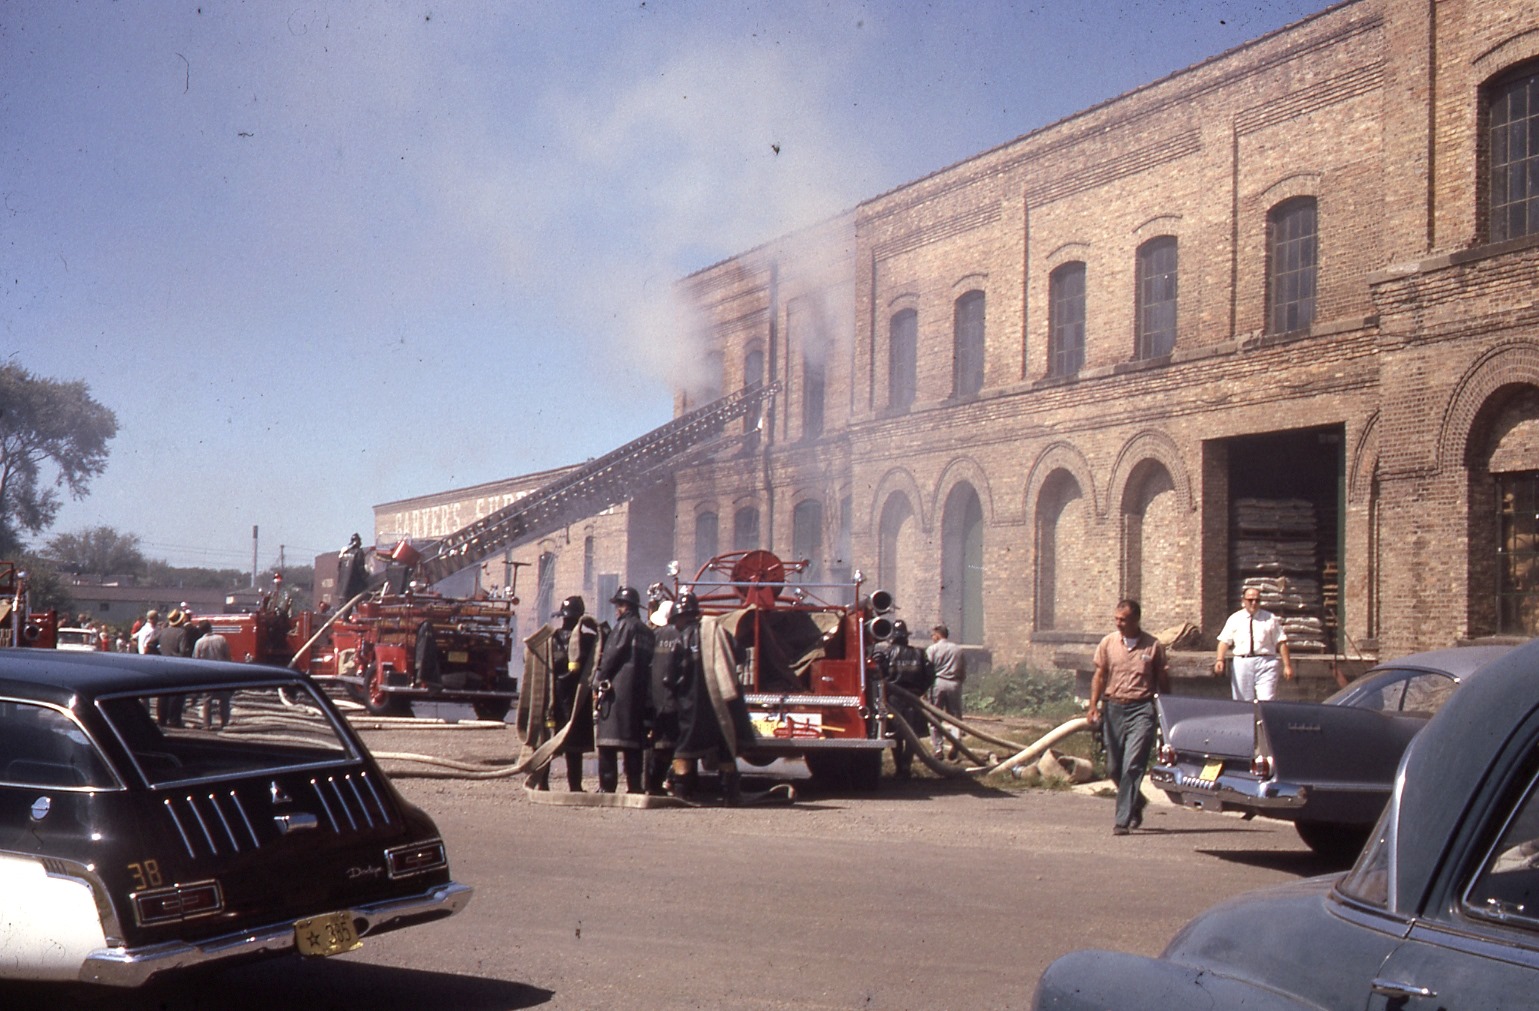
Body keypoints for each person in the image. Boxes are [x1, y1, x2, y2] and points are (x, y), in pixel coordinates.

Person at [1089, 599, 1170, 835]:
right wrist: (1093, 706)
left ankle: (1122, 821)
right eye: (1116, 619)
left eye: (1123, 620)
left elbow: (1163, 681)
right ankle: (1137, 802)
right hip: (1113, 707)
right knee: (1114, 767)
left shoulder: (1153, 646)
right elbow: (1099, 675)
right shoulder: (1108, 643)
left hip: (1142, 709)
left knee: (1132, 764)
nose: (1118, 624)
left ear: (1136, 620)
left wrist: (1167, 711)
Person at [663, 591, 745, 804]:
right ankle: (730, 795)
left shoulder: (679, 640)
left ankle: (683, 794)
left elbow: (669, 677)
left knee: (684, 753)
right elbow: (740, 654)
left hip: (689, 708)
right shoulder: (718, 632)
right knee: (724, 748)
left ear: (679, 617)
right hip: (718, 707)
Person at [591, 586, 653, 794]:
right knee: (633, 746)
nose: (616, 610)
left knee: (608, 744)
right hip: (639, 696)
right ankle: (635, 787)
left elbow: (611, 656)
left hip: (618, 696)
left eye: (618, 605)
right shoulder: (647, 631)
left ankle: (607, 788)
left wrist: (598, 680)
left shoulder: (623, 627)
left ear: (626, 607)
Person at [533, 595, 598, 792]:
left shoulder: (549, 639)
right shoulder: (588, 641)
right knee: (574, 750)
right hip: (577, 701)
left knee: (549, 743)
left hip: (553, 699)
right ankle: (575, 786)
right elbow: (604, 638)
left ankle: (543, 784)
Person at [875, 620, 934, 778]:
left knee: (896, 734)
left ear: (892, 637)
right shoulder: (919, 653)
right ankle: (906, 766)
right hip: (914, 699)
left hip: (894, 700)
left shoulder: (886, 654)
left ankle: (899, 767)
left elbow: (879, 676)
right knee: (912, 735)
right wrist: (920, 691)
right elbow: (930, 675)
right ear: (906, 637)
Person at [1213, 588, 1295, 701]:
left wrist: (1287, 666)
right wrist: (1220, 660)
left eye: (1257, 600)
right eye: (1250, 600)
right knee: (1242, 701)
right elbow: (1224, 641)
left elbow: (1281, 642)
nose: (1254, 603)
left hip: (1266, 662)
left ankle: (1264, 718)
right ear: (1244, 601)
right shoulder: (1235, 619)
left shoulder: (1270, 618)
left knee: (1267, 700)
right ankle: (1245, 719)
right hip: (1243, 662)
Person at [645, 588, 679, 796]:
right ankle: (671, 782)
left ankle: (652, 784)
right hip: (677, 700)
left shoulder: (653, 636)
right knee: (673, 746)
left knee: (655, 744)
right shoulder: (683, 635)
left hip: (654, 700)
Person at [926, 624, 966, 760]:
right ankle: (956, 744)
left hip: (938, 683)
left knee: (935, 718)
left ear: (937, 635)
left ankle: (938, 749)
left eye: (932, 635)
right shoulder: (958, 650)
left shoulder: (932, 649)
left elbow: (928, 669)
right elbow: (962, 669)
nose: (932, 638)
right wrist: (959, 681)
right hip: (954, 683)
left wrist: (926, 688)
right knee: (955, 718)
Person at [192, 620, 234, 728]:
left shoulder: (199, 642)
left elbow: (196, 660)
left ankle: (207, 724)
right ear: (211, 627)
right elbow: (228, 656)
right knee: (224, 699)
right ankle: (224, 722)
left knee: (207, 700)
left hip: (206, 673)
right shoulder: (221, 639)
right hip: (221, 672)